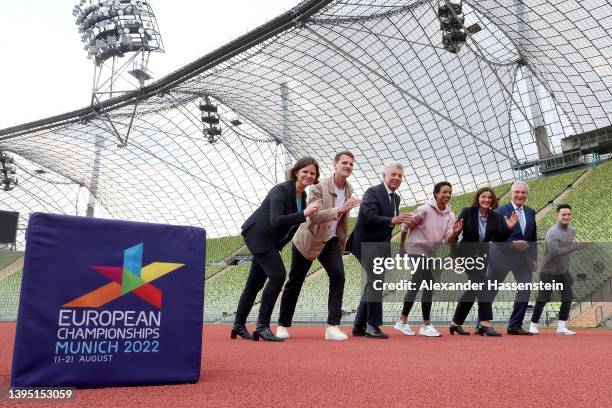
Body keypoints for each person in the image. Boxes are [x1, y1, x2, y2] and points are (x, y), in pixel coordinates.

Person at [232, 157, 321, 342]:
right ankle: (262, 326)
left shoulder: (302, 196)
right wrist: (304, 213)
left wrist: (280, 245)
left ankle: (238, 325)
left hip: (270, 241)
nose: (309, 175)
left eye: (313, 173)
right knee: (278, 275)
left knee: (255, 283)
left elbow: (294, 223)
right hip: (257, 234)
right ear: (296, 172)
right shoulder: (281, 190)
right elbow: (276, 220)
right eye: (305, 171)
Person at [276, 151, 361, 340]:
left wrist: (341, 239)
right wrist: (340, 209)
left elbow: (342, 220)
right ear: (335, 165)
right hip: (309, 239)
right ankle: (282, 324)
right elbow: (313, 216)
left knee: (338, 275)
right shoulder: (317, 188)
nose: (348, 166)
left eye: (351, 164)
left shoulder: (349, 189)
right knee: (295, 281)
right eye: (344, 163)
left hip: (329, 240)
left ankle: (332, 326)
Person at [348, 162, 411, 339]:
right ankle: (372, 325)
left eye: (400, 176)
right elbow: (369, 217)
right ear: (384, 175)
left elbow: (389, 225)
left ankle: (359, 325)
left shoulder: (396, 198)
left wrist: (394, 223)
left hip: (380, 246)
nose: (397, 178)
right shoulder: (372, 192)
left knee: (372, 283)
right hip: (365, 244)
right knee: (376, 281)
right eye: (393, 174)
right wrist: (393, 220)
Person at [394, 181, 462, 337]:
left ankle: (402, 321)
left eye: (450, 192)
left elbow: (447, 240)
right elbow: (405, 227)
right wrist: (402, 246)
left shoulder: (450, 215)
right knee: (428, 282)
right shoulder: (424, 209)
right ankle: (425, 324)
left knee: (417, 284)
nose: (447, 195)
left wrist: (455, 233)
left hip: (430, 253)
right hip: (415, 249)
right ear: (436, 193)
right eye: (444, 192)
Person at [449, 187, 518, 336]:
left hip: (482, 257)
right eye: (483, 197)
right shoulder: (467, 212)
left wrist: (508, 228)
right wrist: (454, 256)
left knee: (474, 289)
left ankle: (456, 322)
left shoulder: (495, 216)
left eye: (489, 197)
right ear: (478, 198)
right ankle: (485, 323)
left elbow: (499, 237)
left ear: (492, 200)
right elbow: (455, 234)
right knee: (484, 283)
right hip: (465, 254)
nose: (486, 200)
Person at [488, 180, 537, 335]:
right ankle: (482, 323)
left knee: (525, 289)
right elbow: (494, 236)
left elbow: (533, 237)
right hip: (501, 257)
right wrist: (512, 244)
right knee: (490, 291)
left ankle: (515, 325)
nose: (520, 195)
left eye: (523, 192)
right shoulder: (499, 212)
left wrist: (534, 258)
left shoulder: (530, 212)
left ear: (527, 195)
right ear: (511, 193)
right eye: (517, 192)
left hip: (524, 259)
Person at [529, 204, 587, 335]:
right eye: (563, 214)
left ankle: (561, 326)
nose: (566, 217)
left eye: (568, 214)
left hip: (563, 271)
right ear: (558, 216)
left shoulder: (572, 230)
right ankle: (533, 325)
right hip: (548, 272)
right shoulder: (552, 232)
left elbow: (565, 251)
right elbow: (555, 252)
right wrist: (576, 246)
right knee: (543, 298)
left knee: (568, 298)